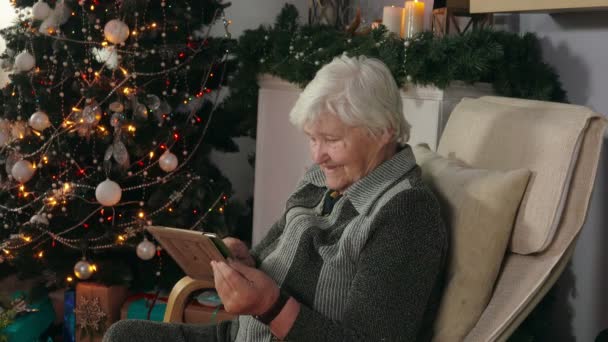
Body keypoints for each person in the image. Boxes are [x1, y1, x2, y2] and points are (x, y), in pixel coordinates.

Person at [104, 54, 447, 342]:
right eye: (312, 138)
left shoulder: (407, 213)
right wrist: (244, 261)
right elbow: (269, 260)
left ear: (384, 130)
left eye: (330, 139)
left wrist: (270, 305)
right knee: (124, 335)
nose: (318, 156)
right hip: (243, 334)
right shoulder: (320, 180)